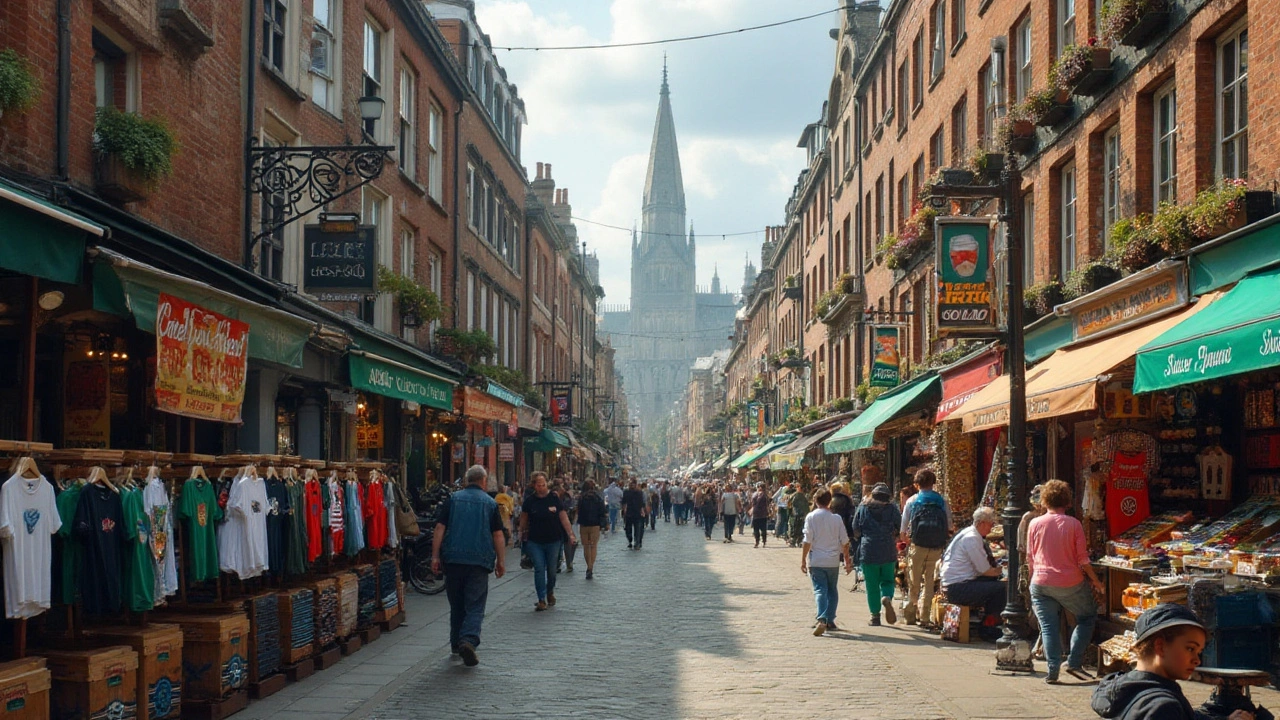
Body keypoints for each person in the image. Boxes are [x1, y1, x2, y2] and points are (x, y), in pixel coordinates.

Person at [1092, 604, 1255, 720]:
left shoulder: (1122, 688)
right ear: (1160, 646)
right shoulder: (1163, 707)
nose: (1197, 660)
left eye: (1199, 652)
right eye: (1190, 649)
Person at [1027, 479, 1105, 683]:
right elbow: (1083, 559)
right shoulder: (1073, 524)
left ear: (1045, 500)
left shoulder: (1034, 523)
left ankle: (1052, 671)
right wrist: (1096, 581)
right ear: (1067, 501)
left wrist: (1031, 583)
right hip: (1069, 582)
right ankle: (1074, 661)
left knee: (1048, 627)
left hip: (1040, 582)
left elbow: (1030, 558)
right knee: (1087, 617)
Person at [430, 465, 506, 666]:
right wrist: (501, 561)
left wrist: (435, 556)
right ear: (483, 481)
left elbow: (440, 527)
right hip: (479, 561)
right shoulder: (490, 503)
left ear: (466, 481)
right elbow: (498, 534)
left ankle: (456, 643)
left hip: (453, 559)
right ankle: (469, 639)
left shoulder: (453, 500)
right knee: (475, 605)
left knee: (457, 604)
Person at [939, 507, 1007, 637]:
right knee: (1001, 588)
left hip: (956, 583)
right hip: (958, 587)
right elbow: (985, 570)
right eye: (991, 524)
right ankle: (989, 627)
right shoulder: (972, 538)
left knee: (993, 584)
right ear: (981, 523)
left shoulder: (968, 533)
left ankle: (987, 621)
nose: (992, 527)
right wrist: (1002, 571)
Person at [899, 469, 954, 626]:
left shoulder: (912, 501)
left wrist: (908, 540)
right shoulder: (942, 501)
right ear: (933, 483)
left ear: (917, 484)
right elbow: (950, 525)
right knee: (930, 581)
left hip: (918, 545)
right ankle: (924, 617)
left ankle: (911, 613)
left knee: (913, 580)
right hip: (936, 546)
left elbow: (903, 530)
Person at [518, 471, 575, 611]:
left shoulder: (554, 498)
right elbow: (524, 519)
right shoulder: (530, 501)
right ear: (534, 485)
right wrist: (520, 535)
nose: (542, 487)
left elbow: (563, 517)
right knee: (539, 569)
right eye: (539, 485)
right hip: (535, 540)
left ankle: (550, 592)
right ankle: (541, 599)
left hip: (553, 540)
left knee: (551, 570)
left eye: (543, 485)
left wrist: (571, 534)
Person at [801, 488, 853, 636]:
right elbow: (845, 541)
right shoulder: (836, 519)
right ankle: (830, 619)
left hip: (816, 559)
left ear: (815, 501)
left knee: (819, 590)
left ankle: (822, 618)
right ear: (829, 501)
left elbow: (807, 541)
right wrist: (847, 561)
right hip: (832, 561)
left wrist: (803, 560)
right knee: (832, 590)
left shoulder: (811, 517)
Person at [852, 483, 902, 626]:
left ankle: (875, 616)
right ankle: (886, 596)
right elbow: (899, 525)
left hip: (868, 549)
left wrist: (861, 538)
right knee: (888, 580)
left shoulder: (863, 507)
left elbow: (855, 528)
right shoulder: (892, 508)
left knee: (871, 585)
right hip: (887, 548)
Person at [576, 480, 606, 580]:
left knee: (586, 547)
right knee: (593, 546)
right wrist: (604, 524)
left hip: (584, 524)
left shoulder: (581, 498)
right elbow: (602, 511)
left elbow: (578, 511)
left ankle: (588, 565)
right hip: (595, 524)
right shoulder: (598, 497)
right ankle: (590, 567)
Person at [621, 479, 647, 549]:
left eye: (633, 483)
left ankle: (637, 543)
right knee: (628, 529)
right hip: (629, 513)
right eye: (630, 483)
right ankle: (630, 540)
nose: (632, 485)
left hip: (637, 513)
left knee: (638, 529)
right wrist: (624, 510)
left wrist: (642, 511)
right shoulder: (626, 492)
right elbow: (623, 502)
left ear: (635, 484)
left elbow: (641, 503)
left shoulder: (639, 492)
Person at [748, 482, 772, 548]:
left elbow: (752, 503)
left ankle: (760, 542)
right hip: (759, 514)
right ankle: (759, 542)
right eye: (759, 487)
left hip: (760, 514)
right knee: (759, 529)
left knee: (761, 529)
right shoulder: (763, 495)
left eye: (761, 487)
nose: (759, 488)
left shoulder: (761, 495)